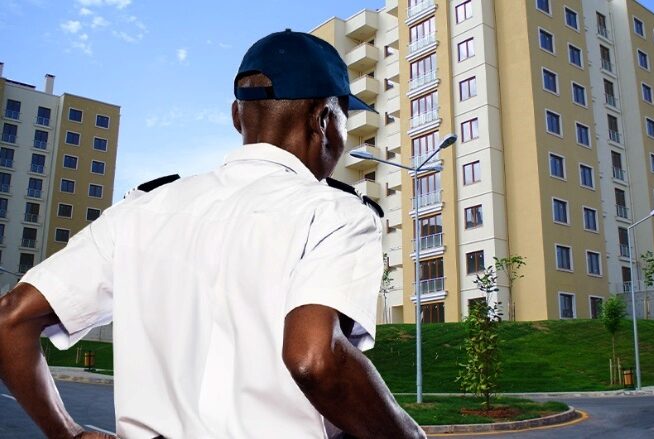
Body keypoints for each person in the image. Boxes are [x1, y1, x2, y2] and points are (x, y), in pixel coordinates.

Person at [0, 30, 425, 438]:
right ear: (325, 120)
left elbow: (11, 318)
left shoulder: (141, 210)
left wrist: (67, 434)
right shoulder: (336, 214)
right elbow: (316, 359)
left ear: (236, 115)